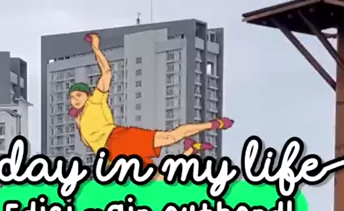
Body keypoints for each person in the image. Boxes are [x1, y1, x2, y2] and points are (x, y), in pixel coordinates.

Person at [68, 33, 233, 168]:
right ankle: (190, 150)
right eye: (72, 97)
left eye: (78, 95)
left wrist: (95, 48)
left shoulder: (95, 101)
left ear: (87, 95)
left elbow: (106, 72)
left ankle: (213, 124)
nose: (75, 100)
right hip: (112, 156)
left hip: (119, 139)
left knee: (170, 137)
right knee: (158, 180)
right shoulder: (79, 120)